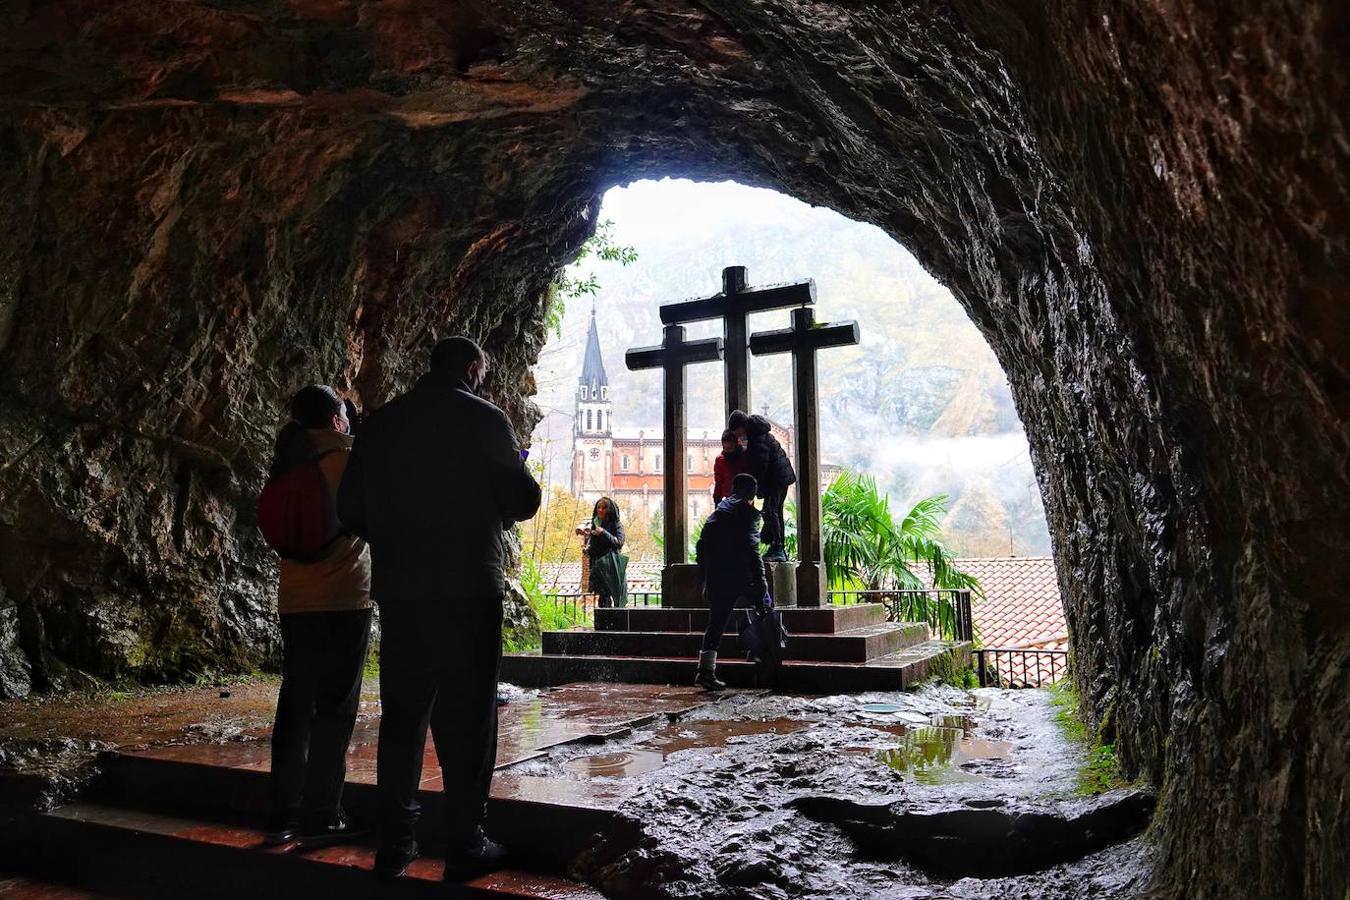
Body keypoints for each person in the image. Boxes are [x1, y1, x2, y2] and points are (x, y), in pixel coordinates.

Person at [336, 337, 541, 882]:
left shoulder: (380, 425)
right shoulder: (486, 419)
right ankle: (465, 838)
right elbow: (523, 501)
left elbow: (349, 511)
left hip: (402, 590)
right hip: (470, 586)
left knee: (403, 715)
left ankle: (395, 841)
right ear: (472, 369)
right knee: (469, 713)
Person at [264, 385, 373, 848]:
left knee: (294, 704)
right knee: (336, 707)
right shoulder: (352, 462)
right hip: (344, 599)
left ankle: (282, 810)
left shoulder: (285, 462)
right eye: (344, 415)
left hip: (295, 599)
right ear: (335, 420)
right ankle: (322, 813)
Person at [693, 473, 769, 691]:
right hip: (740, 576)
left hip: (717, 576)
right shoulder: (748, 514)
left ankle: (705, 670)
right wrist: (761, 580)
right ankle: (762, 656)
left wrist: (706, 576)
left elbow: (702, 547)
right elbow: (752, 550)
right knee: (764, 608)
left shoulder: (718, 512)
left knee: (716, 622)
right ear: (752, 495)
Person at [728, 410, 797, 562]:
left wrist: (753, 488)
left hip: (776, 479)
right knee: (774, 511)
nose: (737, 436)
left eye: (737, 432)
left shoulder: (757, 439)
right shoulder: (757, 434)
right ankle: (776, 547)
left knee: (771, 511)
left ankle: (778, 548)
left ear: (741, 426)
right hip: (779, 478)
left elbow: (760, 465)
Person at [576, 497, 627, 608]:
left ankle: (614, 621)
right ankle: (604, 622)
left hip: (611, 566)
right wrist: (588, 549)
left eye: (603, 508)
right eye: (598, 507)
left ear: (609, 510)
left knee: (614, 597)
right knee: (602, 597)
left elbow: (619, 543)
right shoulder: (595, 524)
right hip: (598, 566)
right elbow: (595, 545)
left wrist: (604, 533)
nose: (600, 510)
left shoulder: (616, 525)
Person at [711, 428, 750, 504]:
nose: (728, 450)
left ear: (736, 444)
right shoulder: (720, 460)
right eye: (725, 448)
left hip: (745, 497)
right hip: (729, 498)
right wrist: (717, 498)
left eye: (730, 448)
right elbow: (719, 481)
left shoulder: (745, 456)